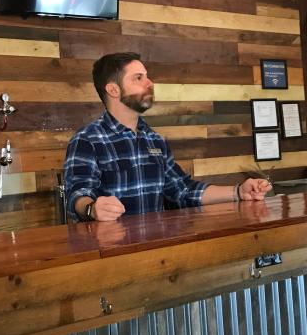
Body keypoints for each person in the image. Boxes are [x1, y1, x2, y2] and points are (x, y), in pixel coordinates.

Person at [64, 52, 272, 222]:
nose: (150, 83)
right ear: (113, 89)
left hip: (158, 252)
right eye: (138, 78)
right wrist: (92, 209)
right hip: (112, 257)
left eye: (147, 76)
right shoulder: (87, 140)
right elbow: (76, 197)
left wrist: (238, 192)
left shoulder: (155, 140)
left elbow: (182, 190)